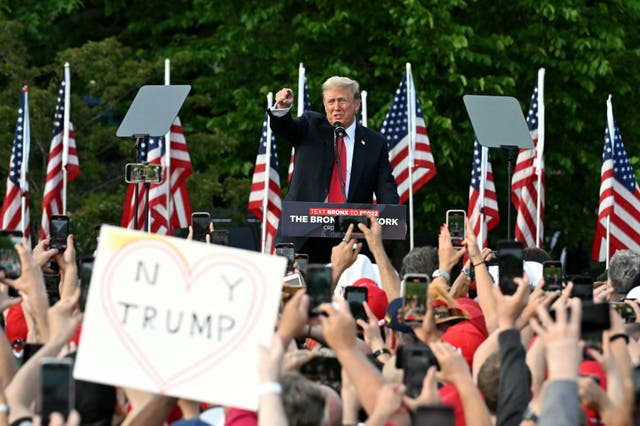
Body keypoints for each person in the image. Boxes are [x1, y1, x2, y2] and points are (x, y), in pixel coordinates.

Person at [269, 76, 399, 262]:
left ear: (356, 104)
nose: (336, 107)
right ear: (324, 104)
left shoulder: (374, 143)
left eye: (342, 100)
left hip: (350, 238)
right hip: (303, 236)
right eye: (331, 101)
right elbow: (285, 127)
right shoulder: (310, 126)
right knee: (298, 290)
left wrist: (391, 222)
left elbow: (386, 188)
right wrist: (282, 109)